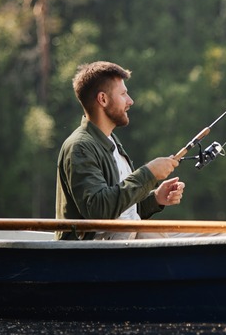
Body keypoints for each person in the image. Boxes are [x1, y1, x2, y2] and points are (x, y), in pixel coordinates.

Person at [55, 61, 184, 240]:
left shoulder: (111, 141)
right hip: (94, 255)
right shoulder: (80, 147)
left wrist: (155, 199)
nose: (130, 101)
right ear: (103, 99)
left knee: (220, 235)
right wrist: (148, 174)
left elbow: (123, 209)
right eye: (123, 94)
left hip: (126, 241)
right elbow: (99, 211)